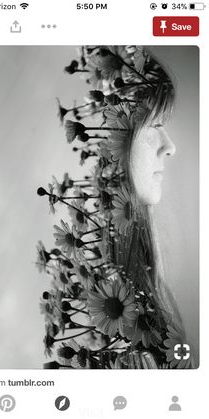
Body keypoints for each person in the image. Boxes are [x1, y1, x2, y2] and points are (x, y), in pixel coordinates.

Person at [38, 46, 194, 369]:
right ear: (118, 140)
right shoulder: (128, 300)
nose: (170, 146)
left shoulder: (143, 279)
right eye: (154, 126)